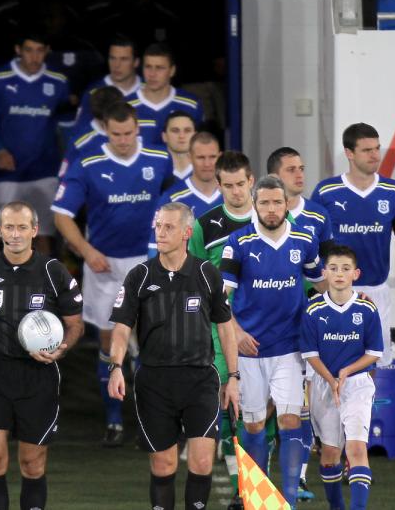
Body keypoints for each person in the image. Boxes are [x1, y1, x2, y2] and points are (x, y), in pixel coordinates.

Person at [0, 201, 84, 510]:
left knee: (32, 463)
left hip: (38, 377)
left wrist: (62, 347)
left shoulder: (54, 272)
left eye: (22, 227)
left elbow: (75, 324)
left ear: (35, 230)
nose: (16, 234)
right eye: (9, 227)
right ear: (0, 230)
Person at [51, 102, 173, 447]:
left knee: (150, 342)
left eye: (128, 133)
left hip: (148, 262)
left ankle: (149, 421)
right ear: (106, 130)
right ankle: (114, 420)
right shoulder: (89, 162)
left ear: (137, 129)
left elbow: (178, 201)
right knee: (108, 344)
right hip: (103, 266)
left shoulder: (158, 158)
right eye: (116, 134)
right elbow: (61, 214)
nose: (122, 140)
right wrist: (86, 251)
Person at [108, 202, 239, 510]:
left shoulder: (207, 273)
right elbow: (122, 328)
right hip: (155, 381)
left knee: (202, 461)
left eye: (169, 227)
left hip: (200, 379)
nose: (161, 233)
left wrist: (233, 377)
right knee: (163, 464)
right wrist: (115, 366)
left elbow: (225, 328)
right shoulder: (139, 275)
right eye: (158, 226)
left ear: (186, 233)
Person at [219, 175, 326, 506]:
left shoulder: (304, 240)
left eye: (277, 202)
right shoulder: (238, 242)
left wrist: (349, 296)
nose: (271, 209)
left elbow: (321, 284)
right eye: (264, 202)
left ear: (286, 204)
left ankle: (288, 500)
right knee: (253, 426)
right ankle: (259, 499)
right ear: (254, 204)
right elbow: (221, 298)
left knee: (289, 420)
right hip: (249, 351)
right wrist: (236, 332)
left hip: (289, 348)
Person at [311, 122, 395, 368]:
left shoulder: (393, 191)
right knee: (332, 362)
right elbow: (309, 244)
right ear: (349, 153)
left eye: (377, 148)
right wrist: (319, 283)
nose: (375, 155)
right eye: (367, 150)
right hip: (335, 290)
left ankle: (372, 396)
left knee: (375, 362)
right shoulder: (326, 192)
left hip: (375, 291)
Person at [186, 150, 254, 506]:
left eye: (241, 184)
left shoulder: (273, 216)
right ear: (219, 185)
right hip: (222, 329)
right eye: (228, 186)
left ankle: (277, 485)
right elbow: (195, 279)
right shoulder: (205, 225)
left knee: (270, 413)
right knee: (230, 407)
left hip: (269, 329)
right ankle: (241, 489)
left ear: (251, 181)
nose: (236, 192)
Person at [267, 144, 334, 501]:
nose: (300, 174)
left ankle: (300, 478)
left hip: (303, 322)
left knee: (300, 402)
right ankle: (254, 473)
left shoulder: (319, 216)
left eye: (302, 168)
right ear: (275, 177)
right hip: (263, 326)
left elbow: (326, 271)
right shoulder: (259, 216)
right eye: (291, 169)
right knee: (263, 406)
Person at [302, 244, 383, 510]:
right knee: (329, 454)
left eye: (345, 268)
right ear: (324, 272)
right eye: (334, 268)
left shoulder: (367, 308)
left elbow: (374, 352)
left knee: (357, 449)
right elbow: (310, 354)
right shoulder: (313, 309)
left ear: (355, 274)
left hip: (357, 385)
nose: (339, 273)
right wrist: (331, 379)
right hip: (324, 386)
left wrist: (347, 371)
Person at [0, 30, 70, 253]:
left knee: (44, 234)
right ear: (18, 50)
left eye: (40, 51)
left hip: (46, 170)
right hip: (9, 173)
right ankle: (11, 276)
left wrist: (69, 166)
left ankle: (44, 277)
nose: (34, 57)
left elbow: (66, 127)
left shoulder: (58, 81)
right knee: (10, 237)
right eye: (29, 50)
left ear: (47, 51)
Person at [149, 132, 221, 257]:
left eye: (212, 157)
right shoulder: (172, 198)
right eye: (201, 157)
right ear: (190, 157)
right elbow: (154, 248)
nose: (207, 163)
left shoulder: (231, 194)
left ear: (220, 157)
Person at [126, 43, 203, 132]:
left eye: (159, 68)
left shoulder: (191, 105)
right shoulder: (126, 106)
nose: (152, 74)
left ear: (172, 70)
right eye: (148, 67)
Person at [73, 35, 143, 130]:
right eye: (112, 58)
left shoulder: (149, 89)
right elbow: (79, 132)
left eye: (124, 59)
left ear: (136, 62)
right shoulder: (93, 92)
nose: (116, 65)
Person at [161, 110, 198, 180]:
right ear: (164, 136)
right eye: (175, 131)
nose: (181, 136)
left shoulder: (207, 169)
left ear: (196, 136)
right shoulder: (156, 171)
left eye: (187, 130)